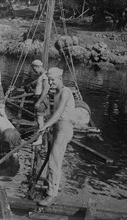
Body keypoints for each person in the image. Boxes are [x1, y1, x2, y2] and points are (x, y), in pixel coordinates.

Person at [37, 67, 76, 207]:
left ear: (60, 78)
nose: (51, 83)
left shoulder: (65, 92)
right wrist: (48, 126)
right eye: (49, 80)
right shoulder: (56, 93)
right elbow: (53, 114)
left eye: (53, 80)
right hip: (57, 128)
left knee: (54, 161)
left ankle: (51, 195)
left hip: (64, 129)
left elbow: (59, 114)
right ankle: (51, 185)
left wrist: (44, 125)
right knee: (52, 158)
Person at [25, 60, 50, 145]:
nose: (34, 71)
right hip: (39, 98)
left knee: (40, 120)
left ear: (37, 67)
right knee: (40, 118)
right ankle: (41, 135)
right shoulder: (42, 75)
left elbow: (46, 90)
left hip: (41, 99)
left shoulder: (45, 76)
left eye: (34, 69)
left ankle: (40, 139)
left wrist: (38, 102)